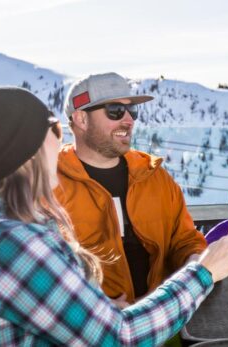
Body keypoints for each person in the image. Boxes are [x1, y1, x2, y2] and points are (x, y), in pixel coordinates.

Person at [0, 77, 228, 345]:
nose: (60, 137)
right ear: (28, 151)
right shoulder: (13, 243)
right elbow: (120, 338)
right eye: (53, 128)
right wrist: (205, 271)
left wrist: (103, 312)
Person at [55, 73, 208, 303]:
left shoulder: (154, 176)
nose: (128, 120)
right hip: (90, 328)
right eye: (115, 110)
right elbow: (45, 273)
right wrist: (93, 308)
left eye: (132, 111)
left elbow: (186, 240)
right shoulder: (50, 185)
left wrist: (194, 265)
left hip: (164, 316)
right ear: (81, 119)